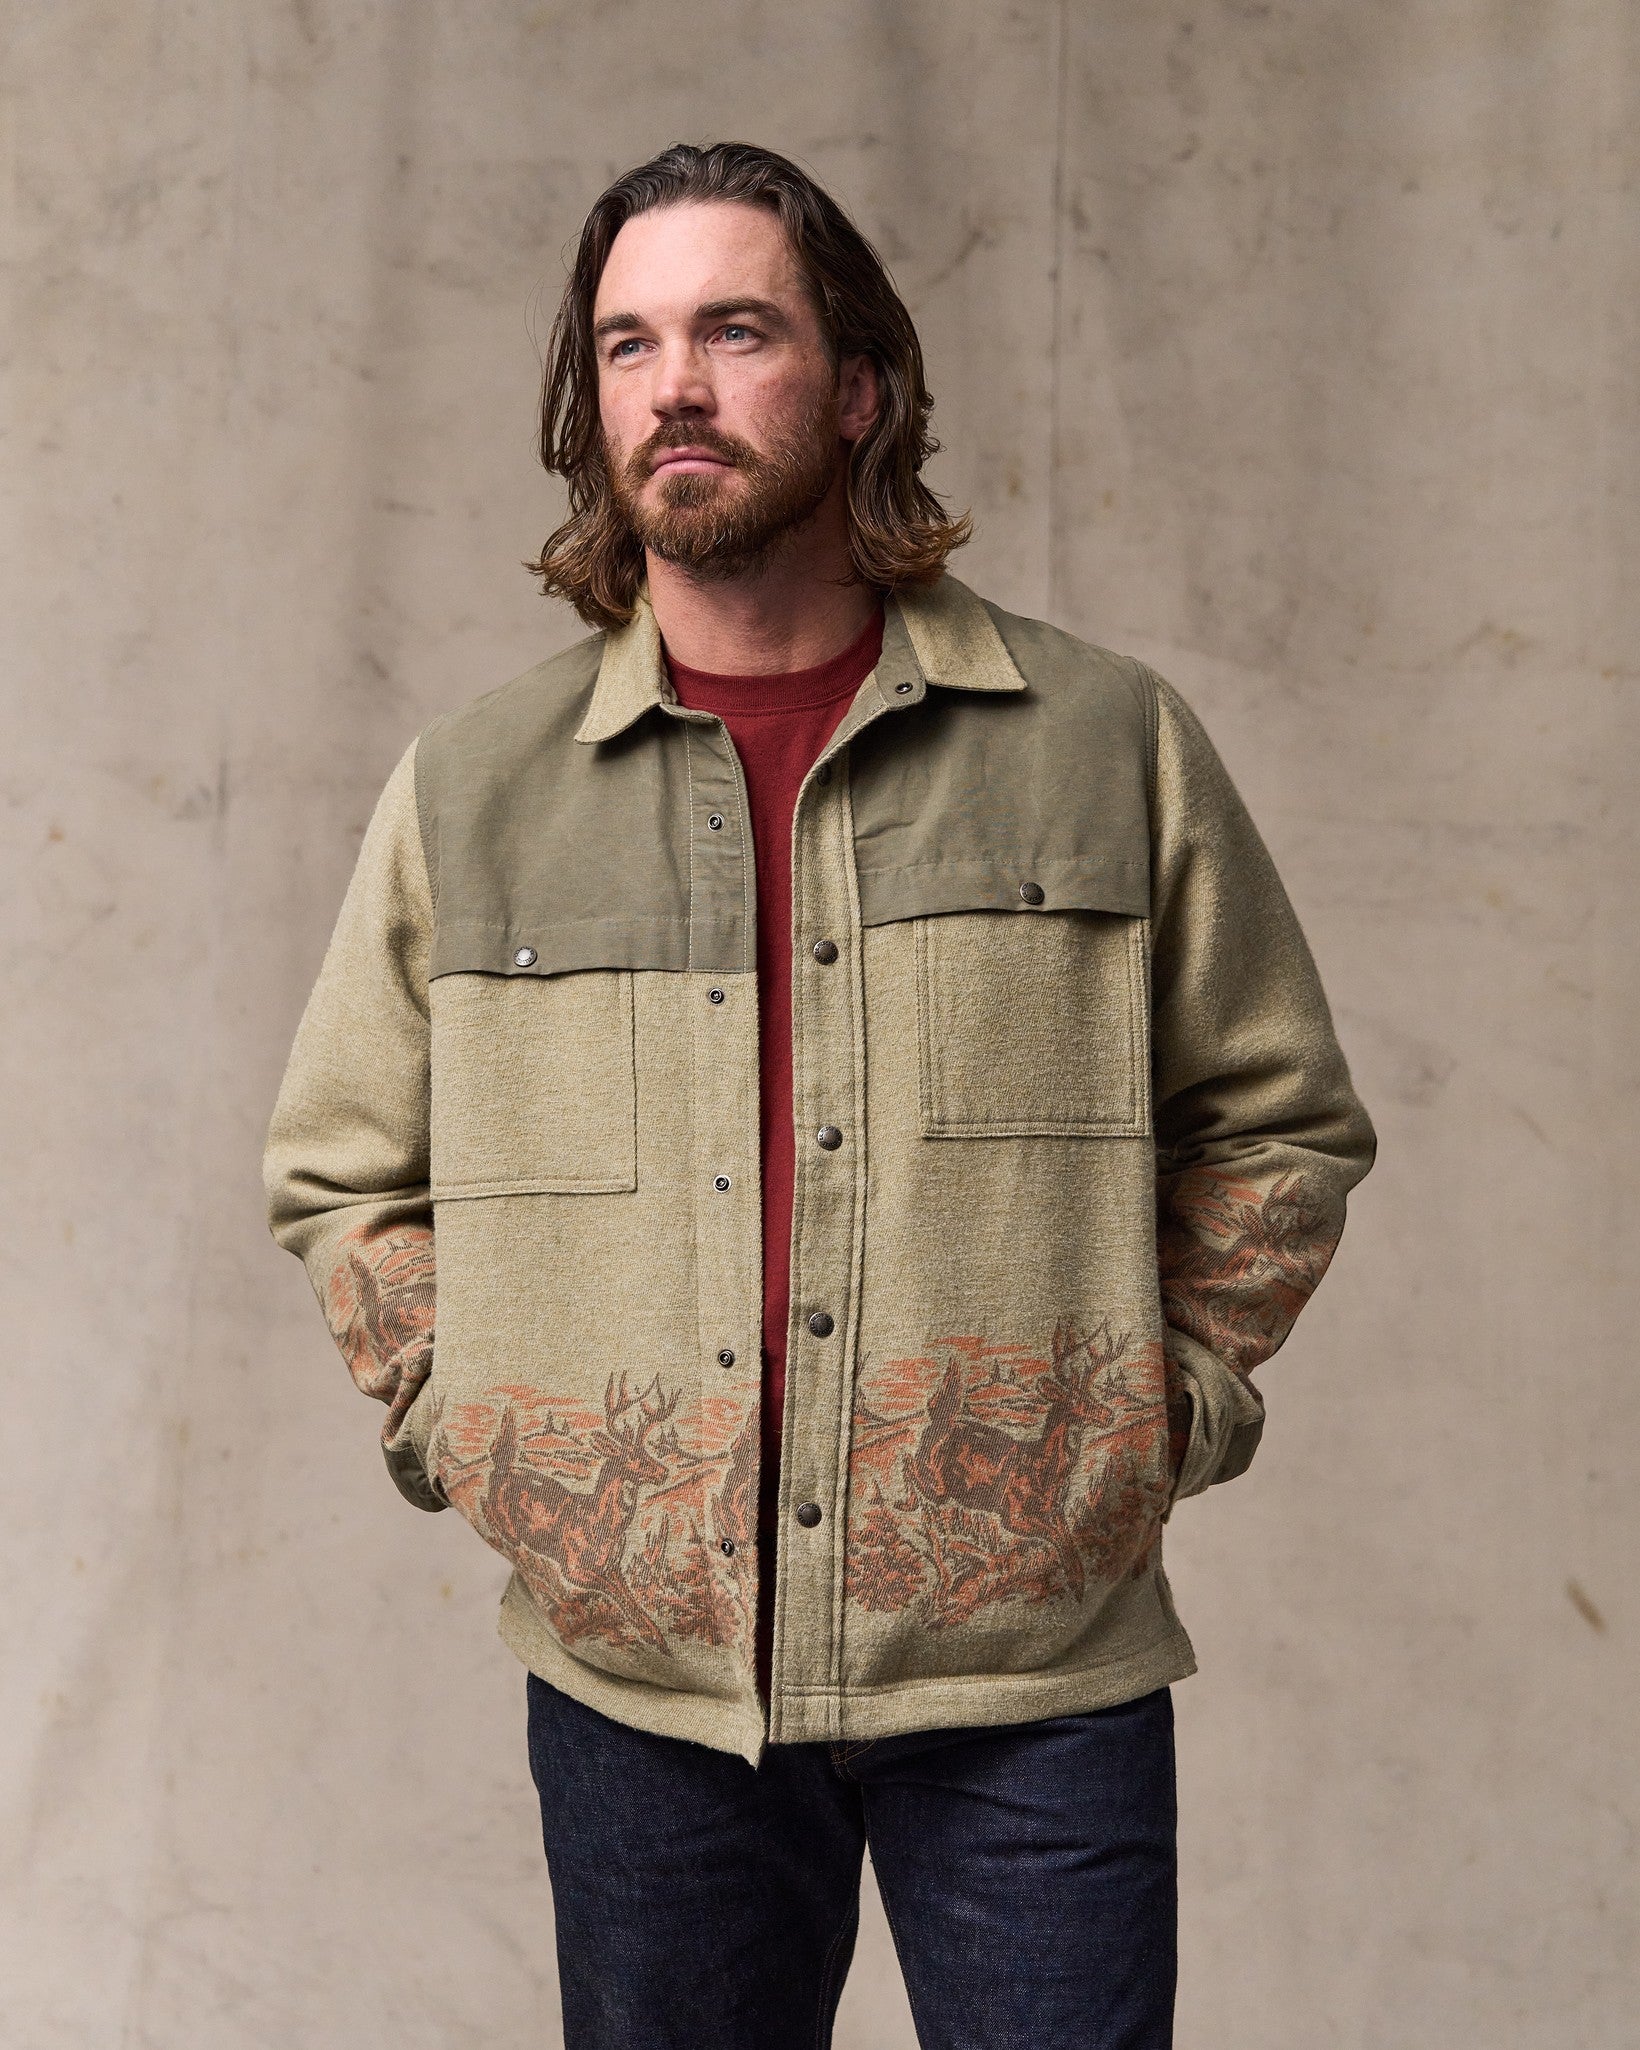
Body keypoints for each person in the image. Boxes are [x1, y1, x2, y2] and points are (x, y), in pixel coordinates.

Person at [265, 141, 1375, 2050]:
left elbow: (1280, 1116)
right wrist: (490, 1439)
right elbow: (339, 1170)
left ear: (860, 386)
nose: (674, 385)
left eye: (735, 330)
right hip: (646, 1696)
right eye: (629, 343)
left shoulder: (1103, 743)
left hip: (1032, 1673)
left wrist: (1146, 1411)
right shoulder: (477, 786)